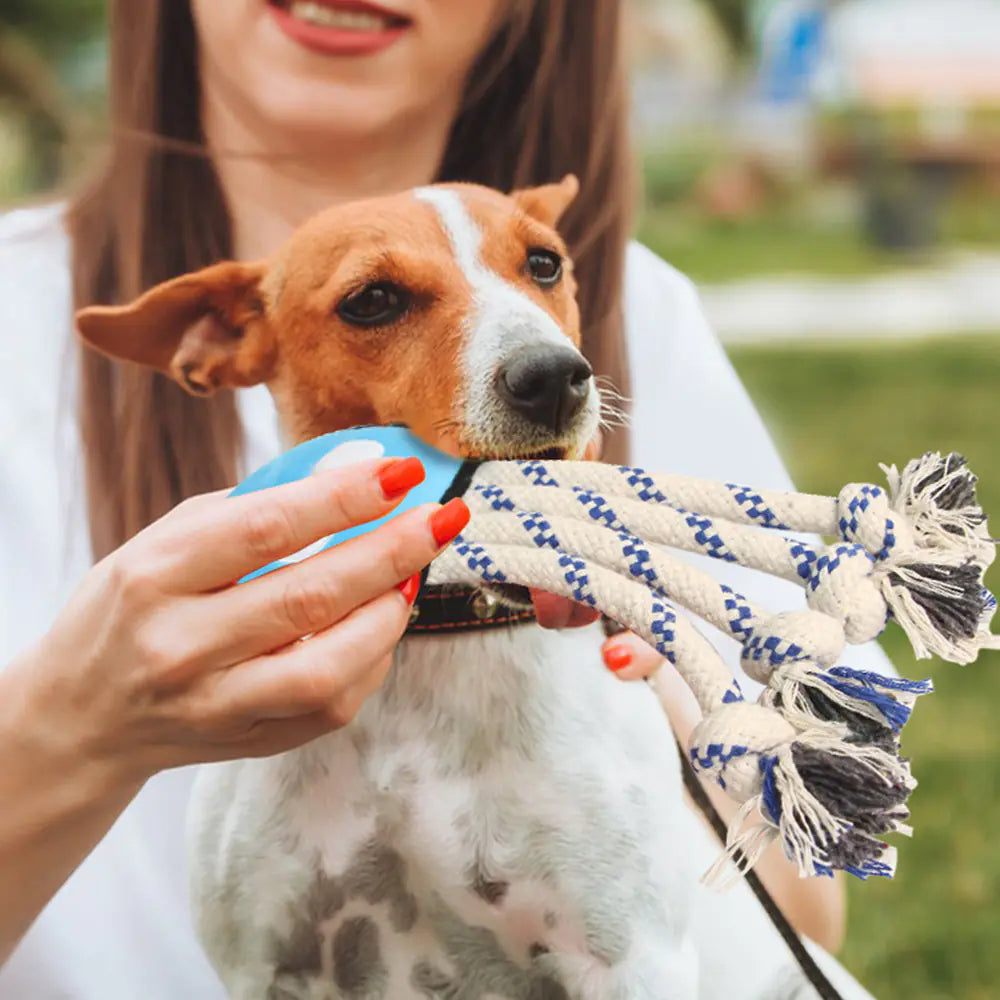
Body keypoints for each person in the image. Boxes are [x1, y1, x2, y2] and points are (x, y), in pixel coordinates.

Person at [0, 1, 896, 995]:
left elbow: (813, 899)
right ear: (217, 341)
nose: (540, 365)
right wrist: (69, 725)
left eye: (541, 266)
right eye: (379, 300)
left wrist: (674, 687)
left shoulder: (650, 315)